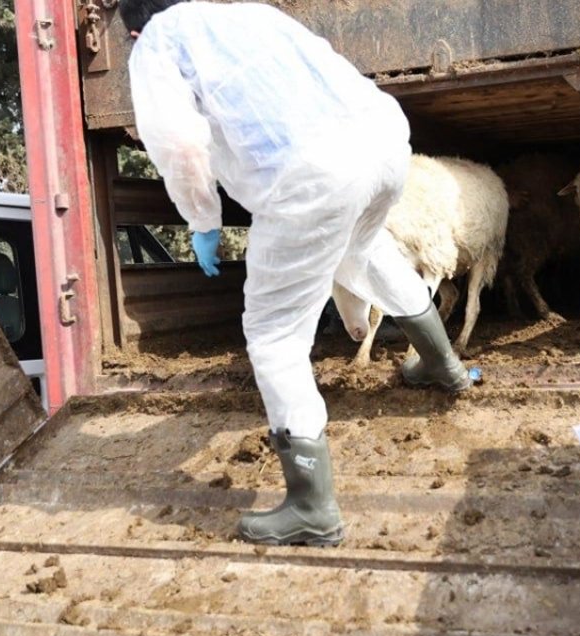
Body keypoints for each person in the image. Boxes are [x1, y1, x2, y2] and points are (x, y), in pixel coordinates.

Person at [119, 0, 473, 547]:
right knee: (364, 249)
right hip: (381, 142)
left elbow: (179, 141)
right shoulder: (246, 13)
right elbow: (327, 63)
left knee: (273, 334)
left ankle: (311, 506)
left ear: (135, 27)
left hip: (311, 173)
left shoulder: (156, 42)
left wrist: (202, 219)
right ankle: (443, 365)